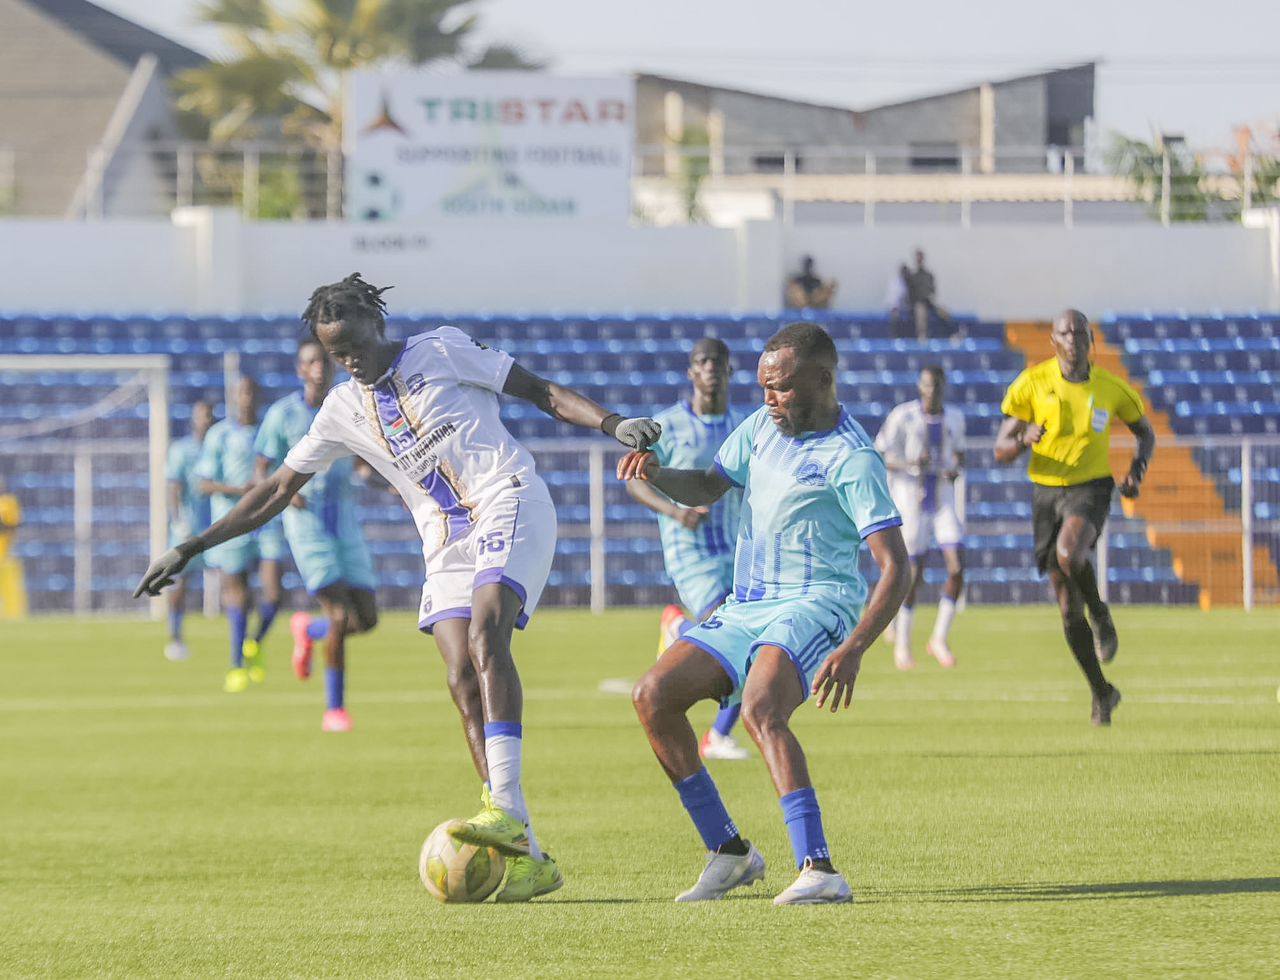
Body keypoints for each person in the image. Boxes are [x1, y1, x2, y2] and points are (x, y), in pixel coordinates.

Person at [135, 272, 661, 903]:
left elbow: (539, 390)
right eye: (338, 353)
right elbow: (277, 490)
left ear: (376, 326)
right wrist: (190, 547)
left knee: (489, 637)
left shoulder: (438, 349)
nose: (350, 361)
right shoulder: (340, 409)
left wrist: (612, 423)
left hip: (508, 500)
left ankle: (506, 816)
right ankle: (527, 852)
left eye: (355, 344)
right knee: (459, 675)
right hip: (443, 538)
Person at [620, 322, 911, 906]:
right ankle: (728, 853)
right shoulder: (760, 428)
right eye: (763, 388)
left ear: (823, 380)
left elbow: (896, 567)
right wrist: (659, 475)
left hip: (817, 602)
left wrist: (853, 648)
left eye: (780, 388)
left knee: (760, 708)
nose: (768, 400)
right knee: (653, 695)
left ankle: (819, 868)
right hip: (749, 603)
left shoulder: (852, 458)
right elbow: (706, 484)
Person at [994, 309, 1155, 726]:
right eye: (1065, 333)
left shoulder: (1110, 388)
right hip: (1046, 492)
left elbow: (1145, 432)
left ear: (1090, 341)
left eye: (1080, 332)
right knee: (1066, 608)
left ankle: (1100, 613)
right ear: (1054, 341)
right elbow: (1000, 447)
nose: (1073, 339)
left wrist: (1135, 472)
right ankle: (1102, 692)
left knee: (1070, 554)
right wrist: (1022, 439)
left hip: (1091, 487)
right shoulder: (1033, 383)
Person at [626, 338, 751, 761]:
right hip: (691, 552)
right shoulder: (667, 426)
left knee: (749, 641)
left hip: (737, 550)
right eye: (703, 362)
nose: (711, 368)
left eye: (718, 361)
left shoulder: (743, 426)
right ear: (691, 372)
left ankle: (717, 733)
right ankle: (716, 733)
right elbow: (634, 477)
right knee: (727, 630)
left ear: (730, 371)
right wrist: (675, 512)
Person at [254, 339, 379, 733]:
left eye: (323, 361)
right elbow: (262, 470)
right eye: (310, 362)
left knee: (367, 619)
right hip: (307, 525)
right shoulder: (283, 415)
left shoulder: (348, 407)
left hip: (344, 520)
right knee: (340, 615)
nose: (319, 368)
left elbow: (361, 465)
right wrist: (285, 496)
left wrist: (395, 486)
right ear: (300, 370)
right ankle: (334, 709)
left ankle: (308, 630)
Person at [196, 376, 286, 693]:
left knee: (275, 593)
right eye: (240, 392)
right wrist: (240, 490)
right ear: (233, 398)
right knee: (239, 594)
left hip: (267, 521)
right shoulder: (220, 434)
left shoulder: (268, 431)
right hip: (233, 522)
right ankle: (236, 664)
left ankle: (255, 641)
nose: (245, 398)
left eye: (250, 392)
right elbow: (204, 483)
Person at [875, 366, 966, 669]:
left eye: (937, 386)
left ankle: (939, 638)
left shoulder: (955, 418)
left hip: (942, 497)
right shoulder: (903, 416)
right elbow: (881, 455)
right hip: (911, 498)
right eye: (927, 386)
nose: (932, 391)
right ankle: (903, 644)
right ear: (920, 387)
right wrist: (911, 462)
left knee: (957, 566)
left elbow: (960, 455)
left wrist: (954, 466)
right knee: (913, 573)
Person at [163, 399, 214, 661]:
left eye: (209, 415)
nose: (206, 419)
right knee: (179, 583)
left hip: (218, 527)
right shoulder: (182, 450)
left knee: (233, 580)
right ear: (194, 419)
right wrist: (178, 519)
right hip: (189, 529)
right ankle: (175, 636)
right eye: (202, 415)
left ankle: (238, 641)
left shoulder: (218, 446)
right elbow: (173, 486)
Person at [0, 475, 27, 620]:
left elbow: (13, 525)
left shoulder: (8, 502)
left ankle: (13, 614)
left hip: (5, 552)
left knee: (10, 585)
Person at [907, 249, 949, 340]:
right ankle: (922, 336)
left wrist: (930, 298)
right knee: (920, 311)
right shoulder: (913, 276)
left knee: (944, 312)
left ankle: (950, 334)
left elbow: (933, 290)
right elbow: (911, 293)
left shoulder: (928, 275)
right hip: (918, 302)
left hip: (929, 302)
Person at [887, 263, 912, 339]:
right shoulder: (895, 283)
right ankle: (894, 337)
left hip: (908, 307)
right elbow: (893, 299)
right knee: (895, 315)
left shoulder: (911, 282)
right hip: (896, 307)